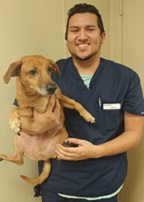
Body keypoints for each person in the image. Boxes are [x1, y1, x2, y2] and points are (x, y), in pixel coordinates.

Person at [20, 3, 144, 202]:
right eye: (74, 30)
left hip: (105, 185)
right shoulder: (49, 74)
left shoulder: (126, 78)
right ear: (67, 37)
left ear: (102, 36)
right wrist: (42, 124)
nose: (82, 36)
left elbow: (134, 134)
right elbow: (22, 122)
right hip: (57, 185)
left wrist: (95, 152)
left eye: (90, 29)